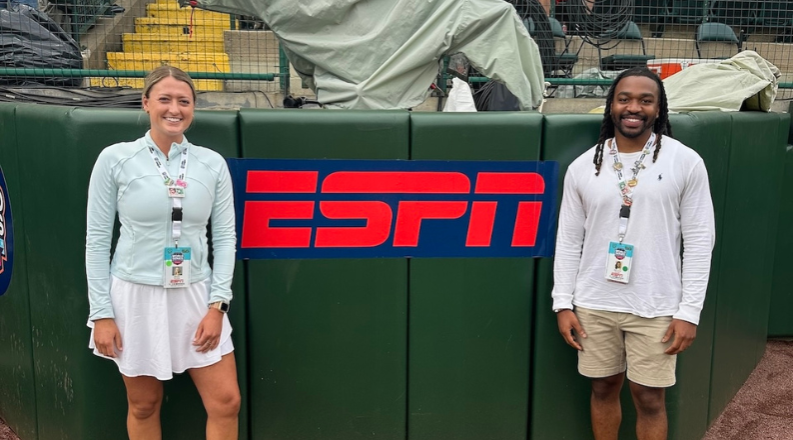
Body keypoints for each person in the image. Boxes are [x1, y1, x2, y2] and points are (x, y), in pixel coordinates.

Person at [551, 66, 715, 440]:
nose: (633, 107)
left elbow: (700, 240)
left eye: (646, 100)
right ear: (611, 105)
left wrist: (689, 312)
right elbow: (568, 240)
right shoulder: (583, 167)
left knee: (649, 398)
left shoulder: (684, 162)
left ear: (659, 109)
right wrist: (563, 303)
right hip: (594, 301)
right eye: (624, 98)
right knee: (603, 388)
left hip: (657, 304)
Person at [85, 66, 240, 440]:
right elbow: (96, 239)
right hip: (134, 298)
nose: (175, 108)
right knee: (143, 404)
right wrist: (102, 314)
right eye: (165, 99)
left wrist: (218, 305)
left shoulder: (212, 163)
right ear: (146, 103)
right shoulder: (115, 158)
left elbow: (224, 237)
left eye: (183, 101)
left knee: (226, 402)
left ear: (193, 108)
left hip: (196, 295)